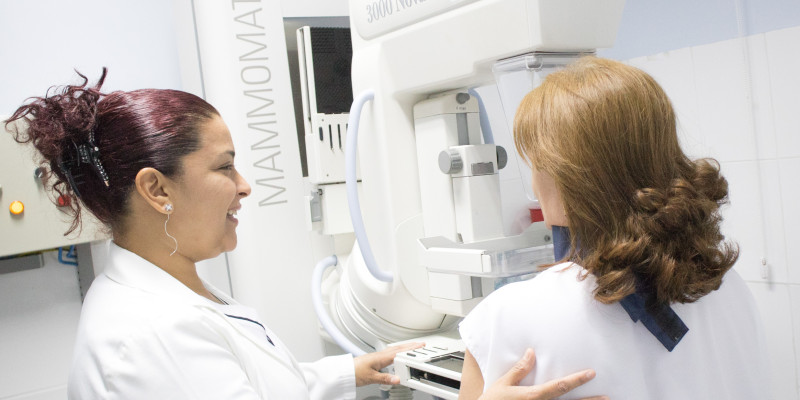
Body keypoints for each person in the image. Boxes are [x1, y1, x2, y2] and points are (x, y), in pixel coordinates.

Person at [7, 70, 606, 400]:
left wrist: (352, 370)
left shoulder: (167, 293)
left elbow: (253, 387)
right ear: (156, 190)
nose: (245, 186)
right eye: (224, 167)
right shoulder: (149, 336)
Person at [459, 57, 770, 400]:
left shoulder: (508, 319)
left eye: (534, 165)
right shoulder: (728, 287)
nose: (533, 185)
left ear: (570, 181)